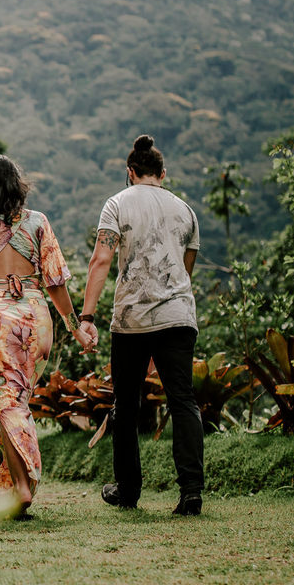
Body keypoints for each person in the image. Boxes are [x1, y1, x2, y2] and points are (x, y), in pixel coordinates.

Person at [0, 155, 94, 517]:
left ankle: (24, 485)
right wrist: (76, 329)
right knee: (13, 401)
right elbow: (56, 284)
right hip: (37, 321)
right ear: (16, 185)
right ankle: (9, 495)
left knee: (6, 401)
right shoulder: (38, 222)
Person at [77, 135, 205, 515]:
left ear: (130, 172)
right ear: (162, 174)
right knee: (183, 402)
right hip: (178, 317)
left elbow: (101, 260)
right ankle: (191, 491)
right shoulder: (186, 210)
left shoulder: (117, 203)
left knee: (126, 405)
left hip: (131, 320)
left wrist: (87, 316)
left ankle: (128, 490)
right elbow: (186, 268)